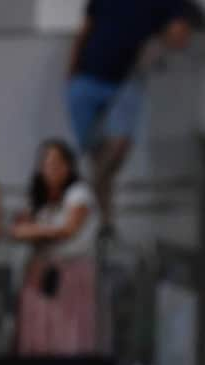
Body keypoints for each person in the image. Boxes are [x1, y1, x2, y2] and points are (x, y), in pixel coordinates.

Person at [67, 0, 198, 230]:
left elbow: (183, 27)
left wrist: (164, 42)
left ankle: (92, 199)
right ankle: (105, 223)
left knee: (118, 146)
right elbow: (85, 30)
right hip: (88, 77)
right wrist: (71, 71)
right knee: (93, 152)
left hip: (126, 82)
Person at [12, 139, 100, 356]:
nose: (52, 169)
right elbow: (17, 228)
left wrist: (32, 230)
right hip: (39, 273)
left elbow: (68, 229)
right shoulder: (38, 199)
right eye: (47, 164)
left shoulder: (79, 193)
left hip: (70, 274)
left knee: (67, 335)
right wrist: (30, 230)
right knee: (38, 336)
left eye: (58, 163)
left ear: (68, 166)